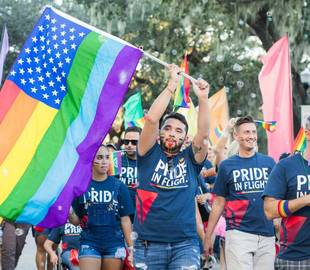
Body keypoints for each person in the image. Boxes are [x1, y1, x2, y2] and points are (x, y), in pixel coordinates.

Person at [133, 64, 210, 270]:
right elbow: (151, 119)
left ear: (185, 138)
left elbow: (203, 135)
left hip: (185, 246)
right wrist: (171, 85)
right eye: (167, 128)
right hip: (147, 246)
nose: (172, 133)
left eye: (178, 130)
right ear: (160, 134)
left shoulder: (191, 160)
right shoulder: (148, 153)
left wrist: (202, 99)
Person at [204, 116, 276, 270]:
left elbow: (276, 198)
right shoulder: (226, 166)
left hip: (267, 235)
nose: (251, 136)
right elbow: (218, 203)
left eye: (253, 132)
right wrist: (208, 236)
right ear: (236, 136)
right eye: (246, 132)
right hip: (238, 234)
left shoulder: (269, 163)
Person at [70, 144, 134, 270]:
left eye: (106, 157)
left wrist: (131, 248)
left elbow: (125, 220)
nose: (104, 161)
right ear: (91, 160)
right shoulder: (81, 186)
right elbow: (76, 221)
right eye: (99, 157)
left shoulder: (119, 186)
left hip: (114, 244)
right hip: (89, 242)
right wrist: (68, 209)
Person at [263, 118, 310, 269]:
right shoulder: (286, 166)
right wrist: (305, 200)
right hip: (296, 258)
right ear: (307, 134)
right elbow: (269, 210)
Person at [120, 126, 141, 222]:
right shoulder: (116, 160)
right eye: (126, 141)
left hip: (141, 217)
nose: (129, 145)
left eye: (134, 142)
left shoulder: (149, 162)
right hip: (119, 216)